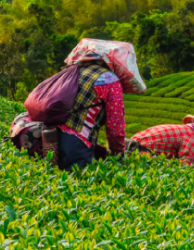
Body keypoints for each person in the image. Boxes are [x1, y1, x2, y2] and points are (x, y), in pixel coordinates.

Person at [57, 39, 146, 170]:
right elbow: (115, 127)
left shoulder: (72, 72)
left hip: (51, 137)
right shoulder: (109, 80)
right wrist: (119, 157)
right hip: (76, 145)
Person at [128, 115, 194, 166]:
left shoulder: (186, 130)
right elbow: (185, 166)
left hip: (130, 144)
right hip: (140, 151)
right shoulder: (192, 138)